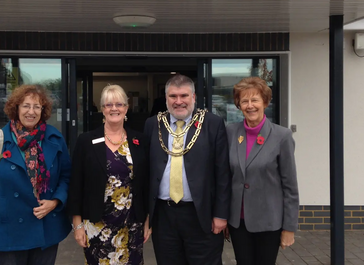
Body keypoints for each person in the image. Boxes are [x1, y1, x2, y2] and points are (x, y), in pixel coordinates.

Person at [0, 84, 72, 265]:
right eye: (26, 106)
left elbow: (66, 176)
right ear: (16, 108)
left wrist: (55, 201)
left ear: (43, 110)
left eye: (37, 106)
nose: (31, 112)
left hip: (45, 226)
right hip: (8, 229)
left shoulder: (54, 139)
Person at [144, 74, 231, 265]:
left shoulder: (212, 123)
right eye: (173, 96)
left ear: (193, 97)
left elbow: (223, 173)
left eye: (184, 96)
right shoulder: (153, 124)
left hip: (201, 215)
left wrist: (220, 214)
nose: (178, 101)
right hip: (164, 216)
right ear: (166, 98)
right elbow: (146, 171)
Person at [67, 84, 151, 265]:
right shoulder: (86, 141)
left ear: (126, 109)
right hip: (97, 227)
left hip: (131, 226)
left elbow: (146, 184)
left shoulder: (139, 141)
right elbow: (76, 185)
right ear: (102, 109)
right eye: (109, 104)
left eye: (119, 104)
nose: (114, 108)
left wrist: (147, 219)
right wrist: (78, 224)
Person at [225, 77, 299, 265]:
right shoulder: (230, 133)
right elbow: (226, 178)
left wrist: (289, 228)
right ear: (239, 105)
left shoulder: (282, 136)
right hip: (238, 222)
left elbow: (290, 186)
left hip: (269, 222)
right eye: (244, 101)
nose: (250, 106)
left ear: (265, 102)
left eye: (255, 100)